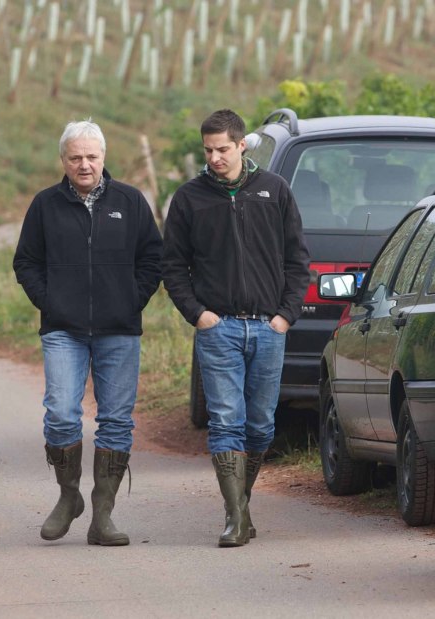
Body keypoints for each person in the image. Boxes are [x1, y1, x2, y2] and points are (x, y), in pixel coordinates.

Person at [162, 109, 310, 547]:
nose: (215, 158)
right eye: (208, 150)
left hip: (268, 327)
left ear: (242, 145)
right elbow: (173, 266)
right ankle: (234, 518)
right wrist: (198, 315)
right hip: (218, 329)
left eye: (223, 149)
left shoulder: (274, 190)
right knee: (226, 421)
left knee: (260, 425)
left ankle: (241, 505)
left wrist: (286, 316)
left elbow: (297, 259)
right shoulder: (189, 198)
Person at [13, 119, 163, 546]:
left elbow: (154, 258)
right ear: (63, 160)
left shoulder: (130, 202)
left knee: (116, 420)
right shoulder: (45, 205)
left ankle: (103, 515)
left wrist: (131, 301)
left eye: (91, 157)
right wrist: (51, 302)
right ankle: (68, 496)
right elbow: (26, 262)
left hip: (120, 329)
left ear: (104, 157)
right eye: (75, 157)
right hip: (64, 329)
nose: (84, 165)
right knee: (61, 414)